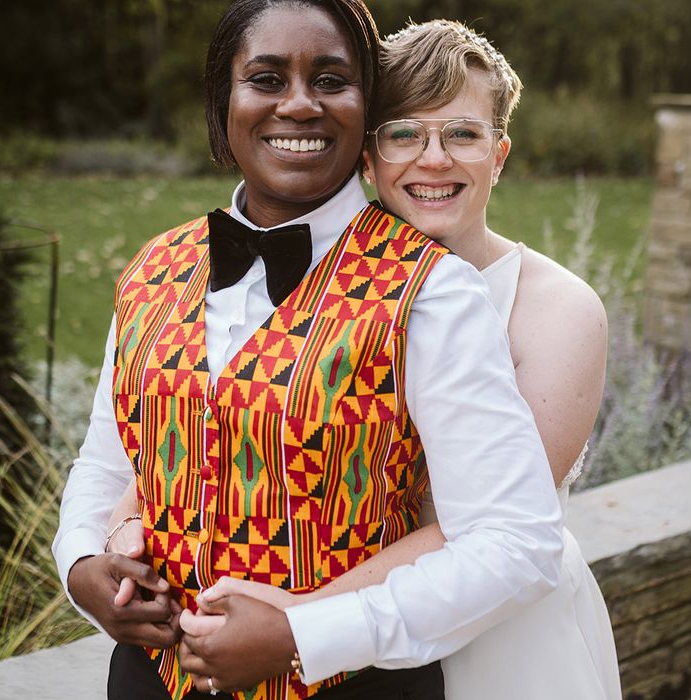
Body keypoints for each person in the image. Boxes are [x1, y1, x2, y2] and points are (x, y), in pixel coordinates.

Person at [54, 3, 563, 699]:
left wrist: (304, 635)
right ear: (223, 102)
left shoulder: (433, 294)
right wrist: (81, 561)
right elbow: (105, 461)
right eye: (265, 78)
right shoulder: (152, 268)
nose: (298, 104)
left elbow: (516, 542)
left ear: (365, 113)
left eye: (330, 80)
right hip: (145, 680)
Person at [189, 18, 622, 700]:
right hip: (346, 651)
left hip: (498, 640)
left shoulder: (560, 311)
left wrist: (297, 625)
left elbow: (484, 528)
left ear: (499, 154)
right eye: (403, 133)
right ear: (368, 156)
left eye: (463, 134)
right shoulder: (305, 281)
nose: (434, 159)